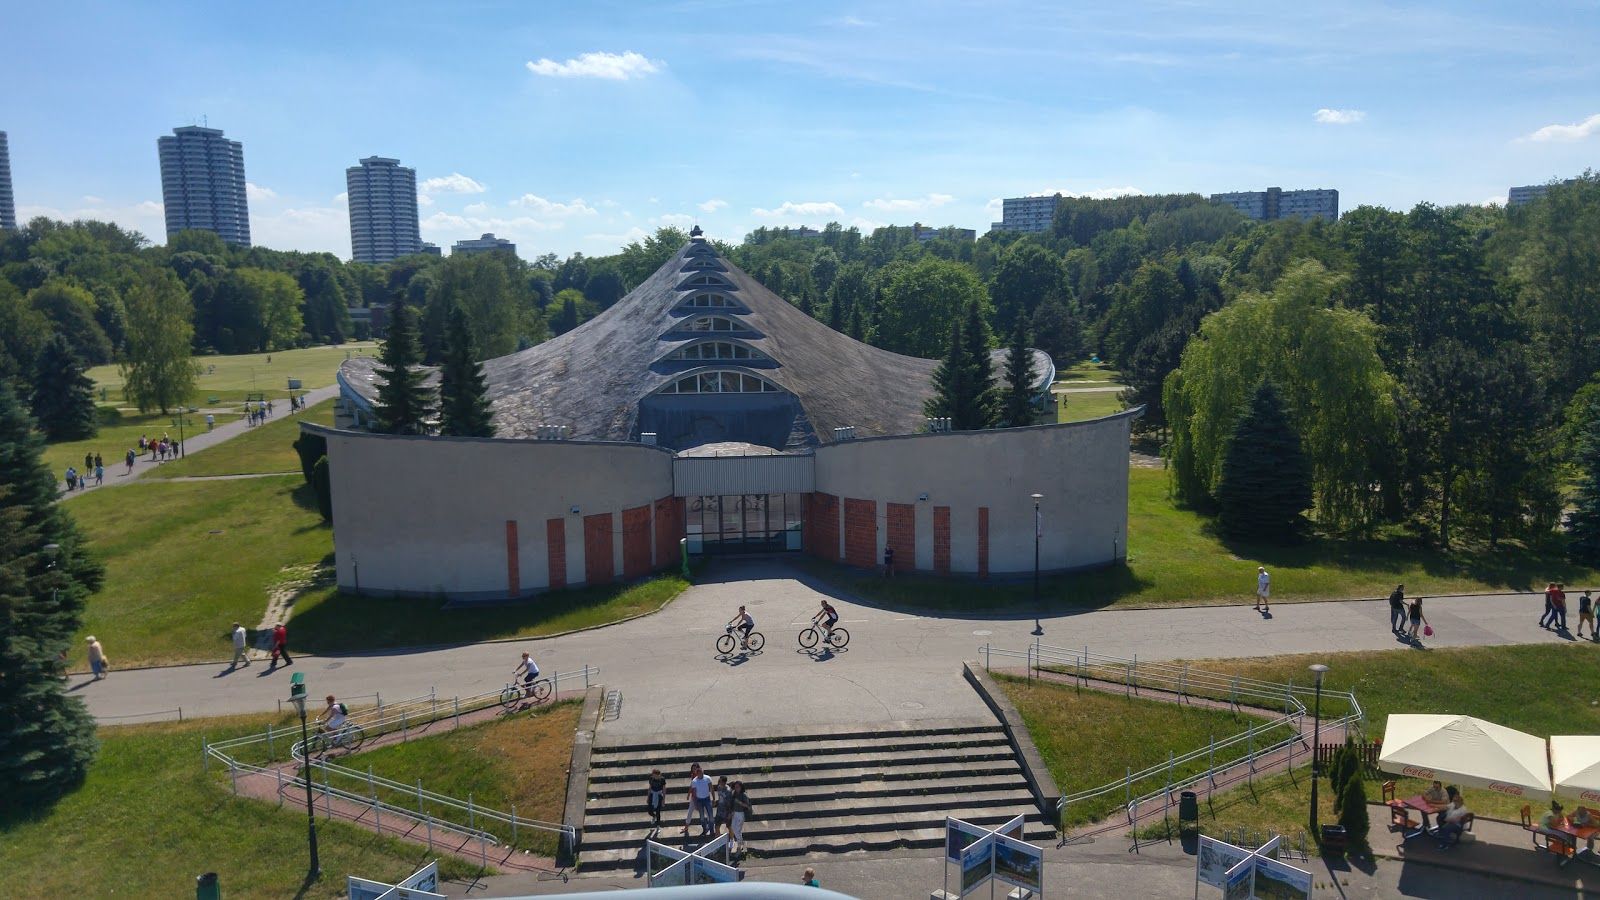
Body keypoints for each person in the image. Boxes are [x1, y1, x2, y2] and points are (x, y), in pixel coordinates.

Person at [683, 763, 714, 837]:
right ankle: (686, 827)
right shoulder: (694, 778)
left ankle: (710, 828)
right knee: (691, 812)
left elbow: (710, 788)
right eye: (693, 769)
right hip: (695, 798)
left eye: (696, 769)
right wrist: (689, 795)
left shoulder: (705, 778)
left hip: (703, 798)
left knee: (708, 814)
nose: (694, 770)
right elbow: (691, 788)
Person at [729, 780, 752, 855]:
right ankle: (740, 843)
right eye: (735, 787)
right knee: (733, 828)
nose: (736, 788)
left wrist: (739, 802)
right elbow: (732, 804)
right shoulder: (734, 794)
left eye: (738, 787)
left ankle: (739, 846)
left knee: (737, 831)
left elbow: (748, 806)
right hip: (735, 813)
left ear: (741, 787)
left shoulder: (744, 795)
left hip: (741, 814)